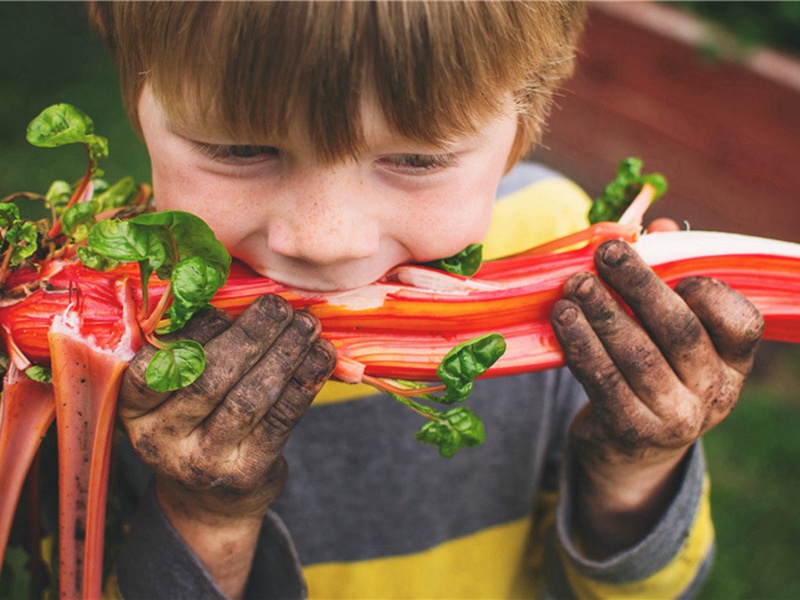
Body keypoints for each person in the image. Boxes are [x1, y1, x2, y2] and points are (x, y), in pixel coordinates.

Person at [88, 2, 764, 599]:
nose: (328, 241)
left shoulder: (564, 261)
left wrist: (635, 471)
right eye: (239, 148)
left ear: (524, 120)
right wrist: (203, 519)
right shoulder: (96, 326)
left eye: (415, 160)